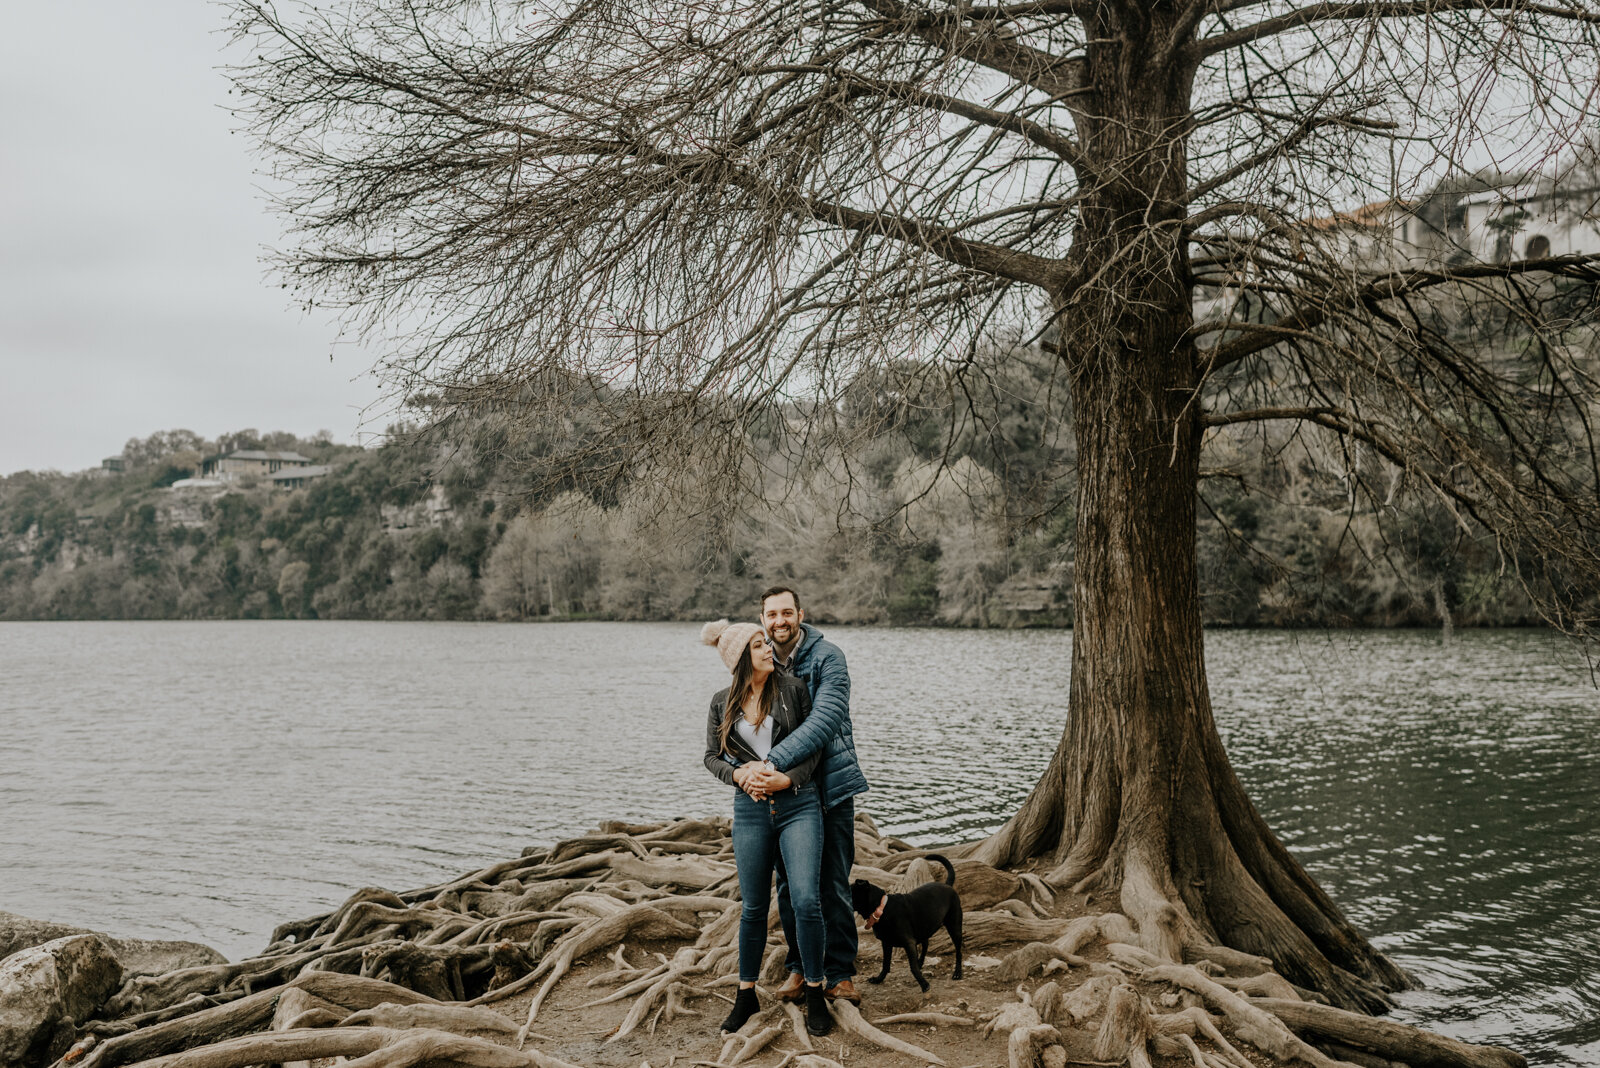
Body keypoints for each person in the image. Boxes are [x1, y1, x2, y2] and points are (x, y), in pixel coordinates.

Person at [700, 618, 835, 1037]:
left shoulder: (793, 690)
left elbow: (815, 748)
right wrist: (737, 776)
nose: (766, 650)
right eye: (758, 645)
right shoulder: (721, 703)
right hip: (751, 811)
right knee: (754, 907)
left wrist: (788, 778)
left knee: (807, 900)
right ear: (741, 658)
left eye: (765, 643)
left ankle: (815, 991)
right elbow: (711, 757)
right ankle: (746, 994)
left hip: (799, 806)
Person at [737, 586, 870, 1006]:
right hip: (783, 797)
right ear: (763, 619)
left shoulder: (829, 657)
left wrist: (771, 764)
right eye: (771, 614)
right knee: (788, 886)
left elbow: (825, 719)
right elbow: (740, 721)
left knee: (830, 881)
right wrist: (746, 774)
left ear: (801, 614)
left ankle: (840, 972)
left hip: (828, 786)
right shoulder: (760, 661)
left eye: (787, 613)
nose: (780, 621)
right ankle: (800, 966)